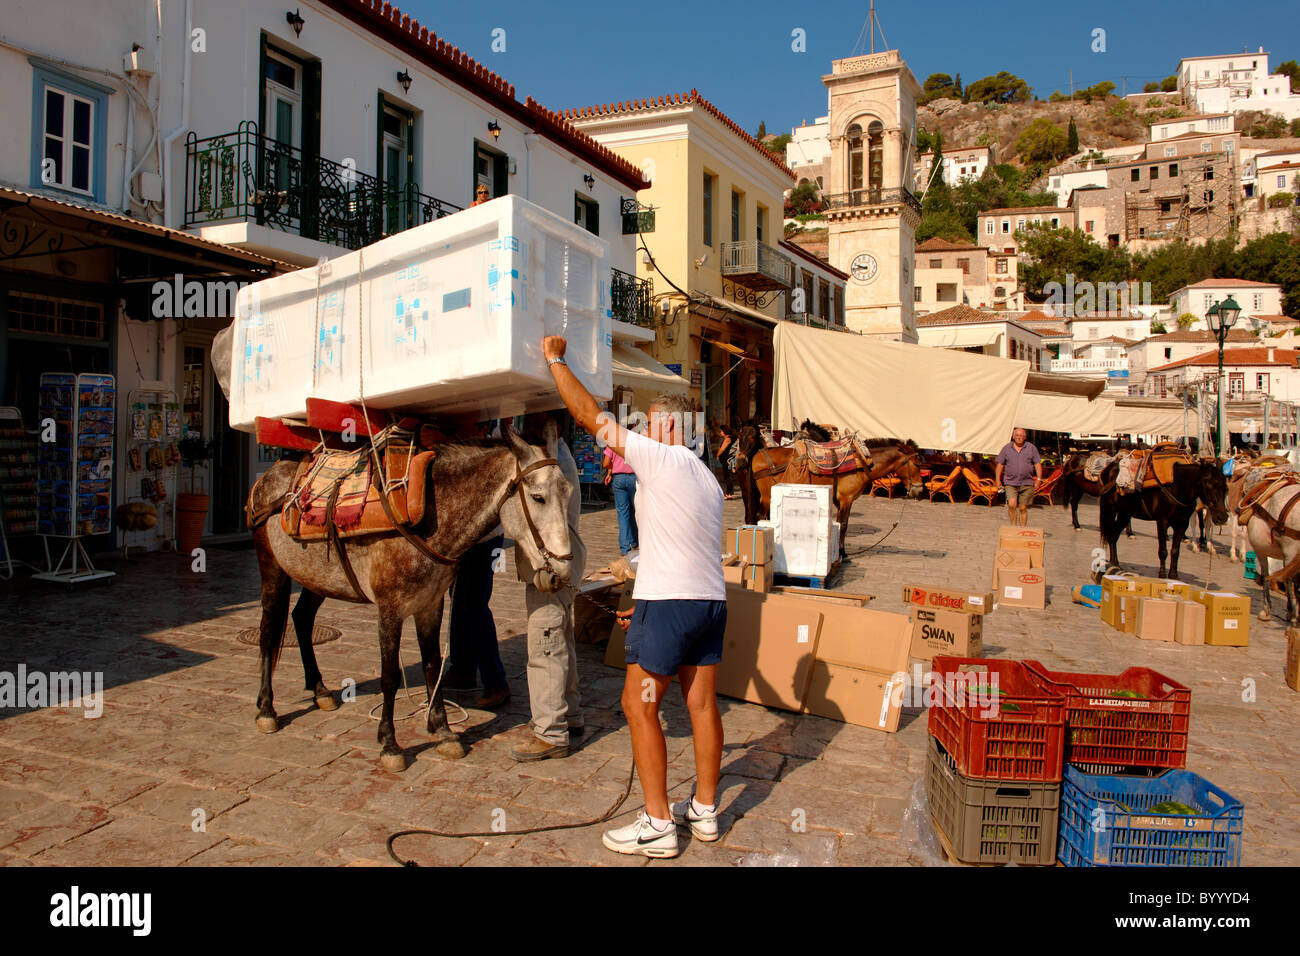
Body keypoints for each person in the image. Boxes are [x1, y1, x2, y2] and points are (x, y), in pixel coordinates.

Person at [543, 334, 725, 859]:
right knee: (701, 703)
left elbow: (587, 416)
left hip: (671, 606)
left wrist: (557, 357)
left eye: (649, 419)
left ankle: (657, 822)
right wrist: (640, 601)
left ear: (670, 425)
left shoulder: (661, 458)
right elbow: (676, 544)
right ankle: (706, 812)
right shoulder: (706, 479)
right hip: (706, 604)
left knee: (637, 704)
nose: (641, 428)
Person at [509, 413, 588, 761]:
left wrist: (546, 566)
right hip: (566, 562)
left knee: (545, 645)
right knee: (562, 639)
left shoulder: (549, 464)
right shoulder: (562, 457)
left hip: (551, 568)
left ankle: (550, 732)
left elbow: (550, 526)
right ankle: (571, 714)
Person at [444, 419, 510, 709]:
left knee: (474, 606)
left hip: (484, 540)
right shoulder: (477, 440)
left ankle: (496, 682)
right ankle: (462, 670)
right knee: (458, 601)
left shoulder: (495, 444)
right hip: (462, 539)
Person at [995, 427, 1042, 527]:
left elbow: (1037, 464)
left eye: (1021, 435)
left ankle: (1022, 529)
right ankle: (1013, 527)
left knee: (1023, 508)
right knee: (1012, 505)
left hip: (1027, 482)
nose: (1019, 437)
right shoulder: (1006, 448)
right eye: (1017, 435)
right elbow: (1000, 464)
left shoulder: (1031, 448)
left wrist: (1038, 479)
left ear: (1025, 437)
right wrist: (998, 480)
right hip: (1010, 482)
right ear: (1013, 437)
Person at [602, 443, 639, 555]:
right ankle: (636, 541)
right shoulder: (636, 442)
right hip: (634, 478)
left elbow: (606, 463)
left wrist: (611, 470)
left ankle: (625, 547)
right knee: (636, 511)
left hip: (618, 478)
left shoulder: (613, 442)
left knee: (623, 513)